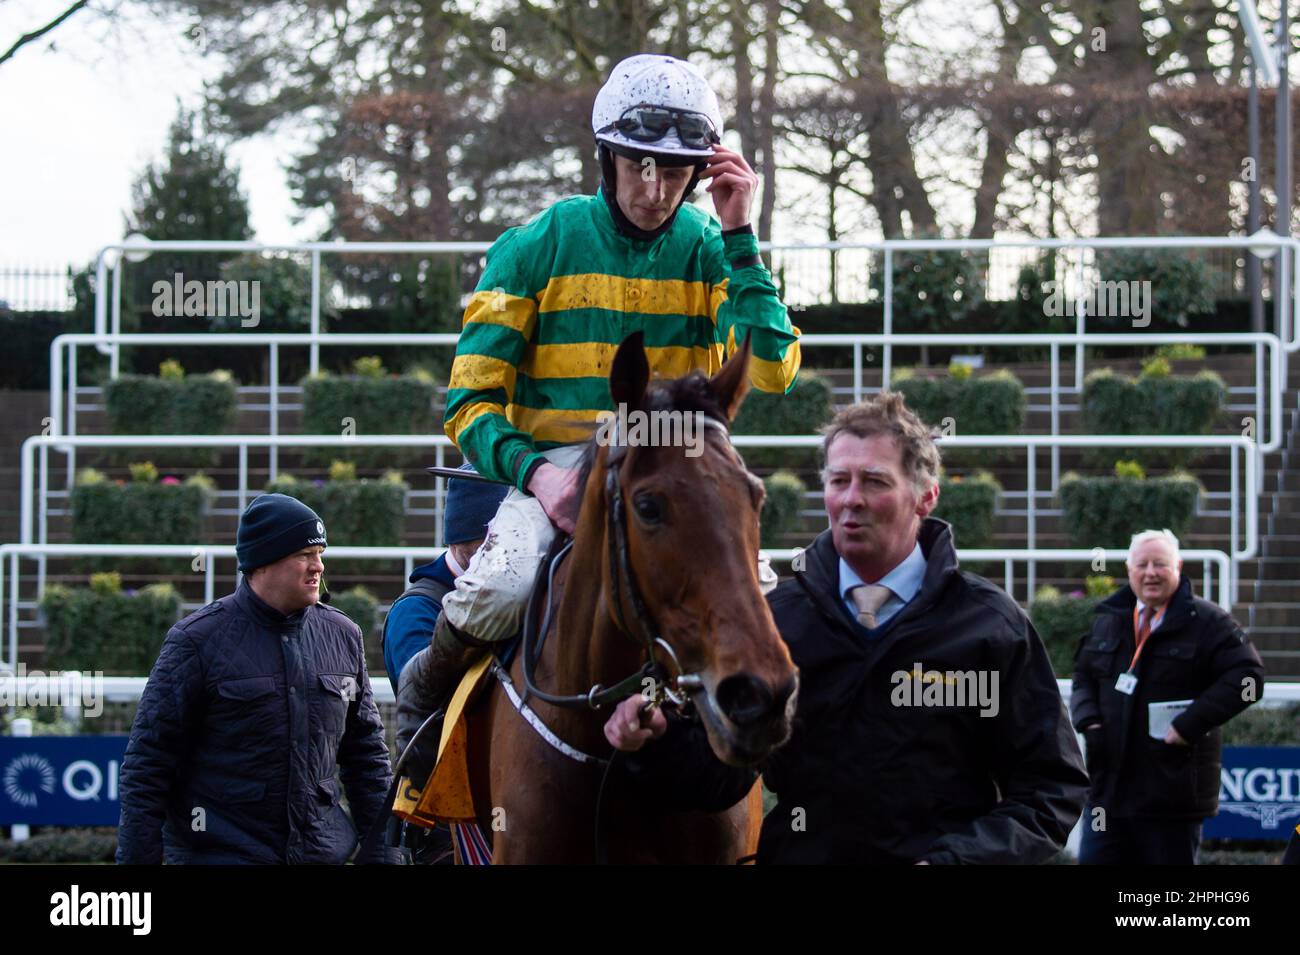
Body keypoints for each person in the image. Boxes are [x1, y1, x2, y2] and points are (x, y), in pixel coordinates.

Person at [402, 52, 801, 726]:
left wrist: (740, 234)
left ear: (701, 173)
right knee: (501, 586)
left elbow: (772, 369)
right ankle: (419, 705)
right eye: (638, 168)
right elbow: (469, 406)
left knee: (763, 608)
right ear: (606, 159)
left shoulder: (712, 247)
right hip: (552, 470)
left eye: (675, 173)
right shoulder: (531, 246)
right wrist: (538, 477)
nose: (655, 191)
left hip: (673, 464)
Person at [753, 394, 1088, 863]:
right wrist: (648, 740)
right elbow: (710, 779)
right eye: (839, 480)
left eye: (874, 481)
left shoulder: (990, 625)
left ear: (926, 496)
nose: (852, 499)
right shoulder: (776, 620)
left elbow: (1051, 788)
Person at [116, 493, 398, 865]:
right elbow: (147, 766)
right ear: (263, 562)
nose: (318, 568)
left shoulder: (343, 634)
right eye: (304, 555)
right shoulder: (195, 641)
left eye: (320, 555)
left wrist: (384, 856)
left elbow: (367, 760)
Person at [1071, 529, 1264, 865]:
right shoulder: (1108, 619)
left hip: (1171, 797)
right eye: (1141, 564)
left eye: (1160, 564)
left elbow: (1248, 679)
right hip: (1107, 795)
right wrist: (1089, 722)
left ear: (1178, 566)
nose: (1150, 573)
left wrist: (1189, 725)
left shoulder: (1208, 622)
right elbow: (1083, 675)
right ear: (1129, 570)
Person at [383, 468, 508, 863]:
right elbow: (427, 707)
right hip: (443, 824)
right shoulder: (416, 610)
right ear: (461, 541)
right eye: (488, 542)